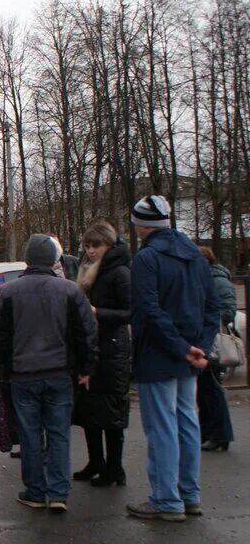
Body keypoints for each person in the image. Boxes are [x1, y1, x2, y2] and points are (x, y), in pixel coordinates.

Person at [126, 195, 220, 523]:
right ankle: (189, 494)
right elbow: (213, 307)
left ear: (142, 226)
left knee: (163, 426)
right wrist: (200, 347)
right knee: (187, 422)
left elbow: (148, 310)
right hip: (190, 353)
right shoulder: (194, 255)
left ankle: (166, 499)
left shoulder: (147, 259)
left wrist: (181, 347)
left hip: (159, 353)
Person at [0, 233, 97, 513]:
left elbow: (0, 339)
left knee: (29, 434)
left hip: (23, 374)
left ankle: (36, 491)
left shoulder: (7, 293)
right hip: (60, 372)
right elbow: (86, 333)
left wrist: (4, 373)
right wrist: (86, 368)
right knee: (59, 431)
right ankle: (59, 492)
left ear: (26, 259)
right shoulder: (70, 291)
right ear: (53, 259)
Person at [72, 222, 132, 488]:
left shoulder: (120, 273)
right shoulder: (88, 270)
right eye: (87, 246)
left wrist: (98, 313)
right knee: (90, 411)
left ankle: (114, 467)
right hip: (93, 348)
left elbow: (130, 312)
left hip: (113, 350)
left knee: (112, 413)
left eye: (96, 245)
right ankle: (96, 461)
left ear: (108, 245)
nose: (91, 251)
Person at [196, 246, 235, 452]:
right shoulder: (212, 280)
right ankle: (211, 432)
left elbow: (227, 311)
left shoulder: (216, 281)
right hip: (207, 339)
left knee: (212, 389)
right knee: (205, 389)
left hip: (212, 340)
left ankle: (220, 434)